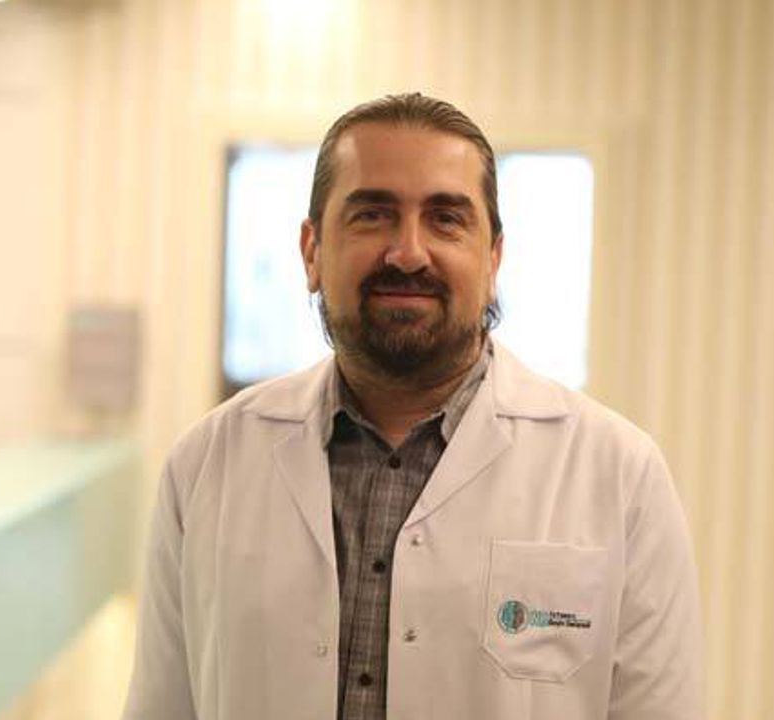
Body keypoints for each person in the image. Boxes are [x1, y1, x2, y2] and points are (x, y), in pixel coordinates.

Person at [123, 93, 703, 720]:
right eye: (372, 215)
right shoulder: (205, 465)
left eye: (446, 219)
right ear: (312, 251)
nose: (408, 252)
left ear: (493, 258)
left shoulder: (619, 476)